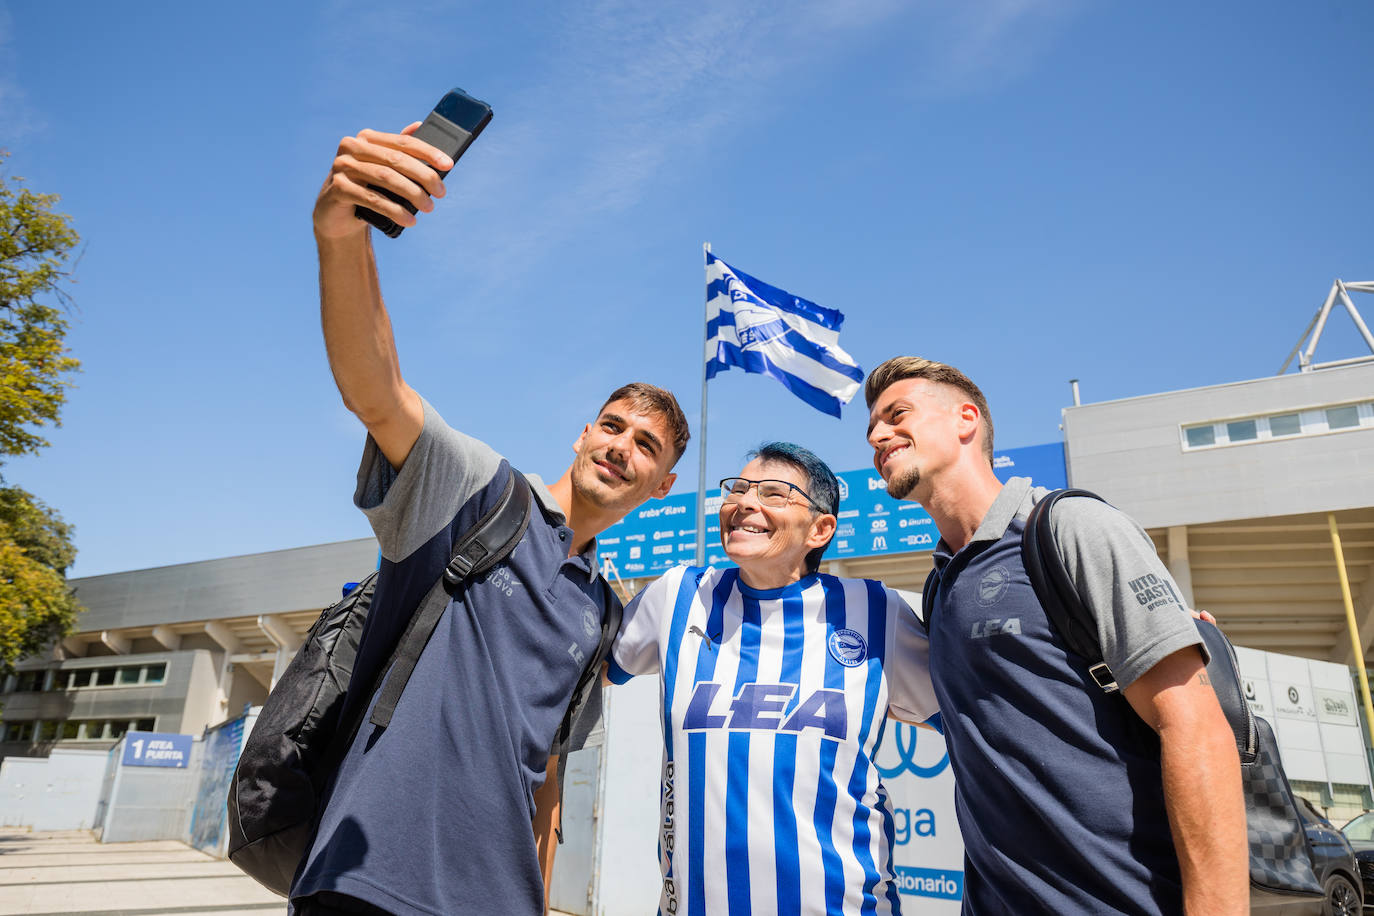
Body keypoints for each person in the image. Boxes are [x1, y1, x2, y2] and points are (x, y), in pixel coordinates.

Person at [294, 122, 689, 916]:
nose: (620, 447)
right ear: (583, 434)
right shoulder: (481, 495)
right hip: (367, 886)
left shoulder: (603, 610)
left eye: (644, 445)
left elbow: (542, 777)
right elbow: (377, 391)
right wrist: (342, 235)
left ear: (663, 485)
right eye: (611, 426)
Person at [863, 356, 1247, 915]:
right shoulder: (941, 585)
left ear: (966, 420)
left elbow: (1195, 726)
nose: (876, 435)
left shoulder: (1067, 529)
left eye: (897, 414)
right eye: (871, 426)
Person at [608, 442, 939, 916]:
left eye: (773, 493)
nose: (745, 502)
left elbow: (967, 723)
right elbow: (583, 675)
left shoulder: (875, 612)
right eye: (738, 489)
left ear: (820, 529)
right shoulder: (678, 596)